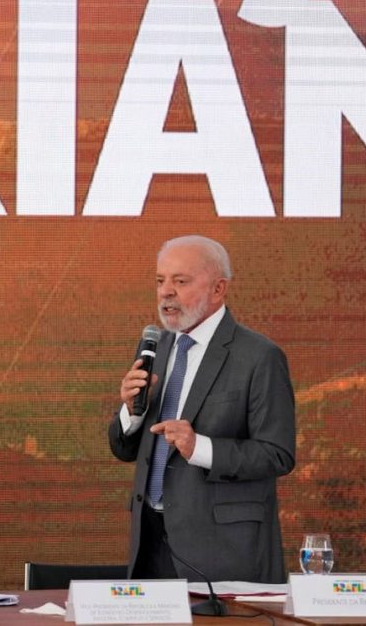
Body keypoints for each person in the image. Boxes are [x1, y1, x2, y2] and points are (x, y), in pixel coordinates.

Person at [108, 236, 296, 582]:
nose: (166, 292)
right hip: (150, 544)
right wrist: (131, 413)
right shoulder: (156, 347)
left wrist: (202, 448)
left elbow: (277, 454)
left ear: (218, 289)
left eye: (180, 281)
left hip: (222, 551)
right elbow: (124, 449)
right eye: (160, 281)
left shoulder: (259, 357)